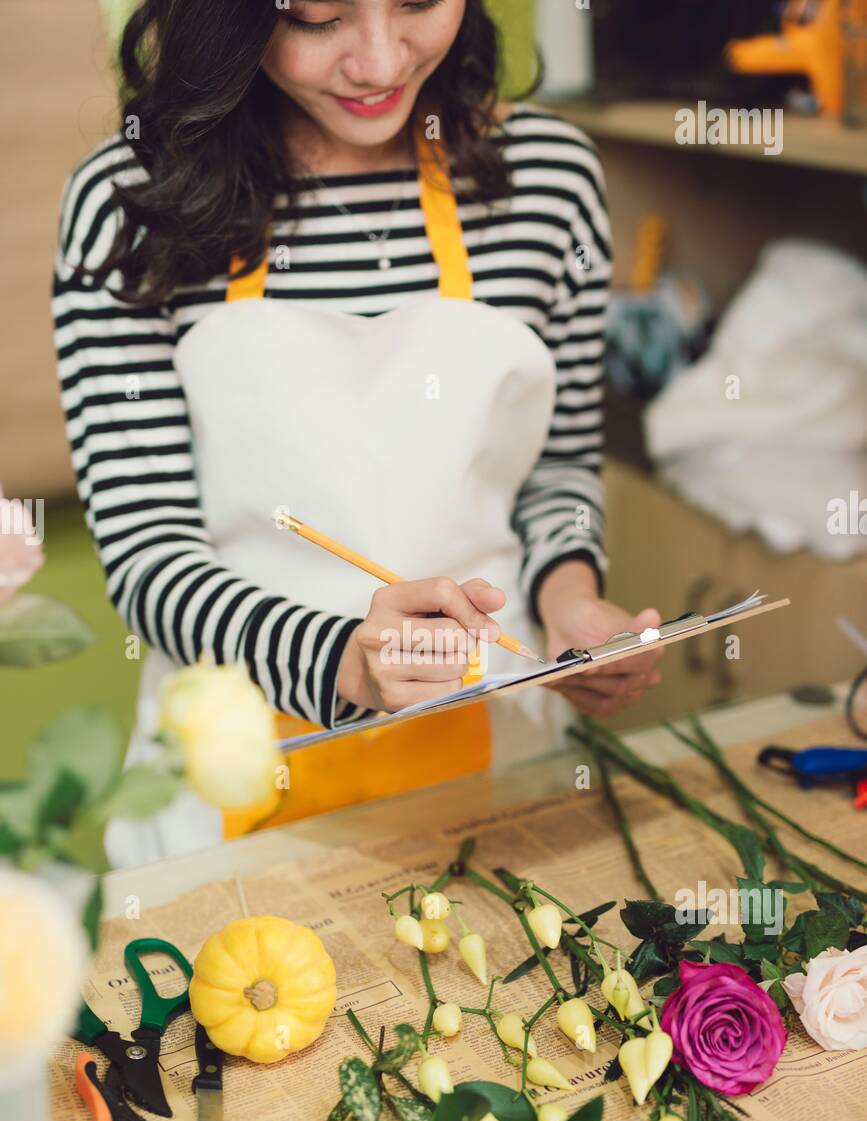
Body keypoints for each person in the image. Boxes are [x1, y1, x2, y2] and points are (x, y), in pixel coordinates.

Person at [52, 0, 662, 865]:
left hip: (502, 749)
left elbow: (554, 464)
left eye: (418, 1)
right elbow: (147, 551)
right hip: (232, 772)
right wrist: (342, 660)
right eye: (316, 17)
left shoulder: (548, 178)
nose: (377, 63)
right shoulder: (128, 205)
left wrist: (569, 601)